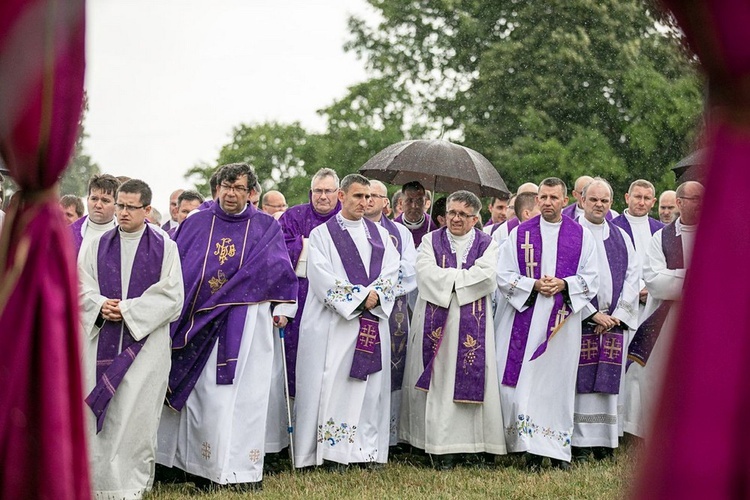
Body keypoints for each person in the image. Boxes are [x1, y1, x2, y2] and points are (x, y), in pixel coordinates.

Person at [156, 163, 297, 490]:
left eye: (238, 188)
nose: (231, 194)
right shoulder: (196, 223)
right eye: (225, 186)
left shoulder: (265, 227)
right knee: (207, 397)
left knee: (247, 397)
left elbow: (279, 272)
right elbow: (179, 269)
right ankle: (204, 469)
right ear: (216, 188)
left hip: (248, 326)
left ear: (251, 192)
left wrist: (275, 306)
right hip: (201, 325)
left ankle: (243, 472)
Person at [79, 179, 184, 498]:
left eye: (130, 207)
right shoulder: (97, 244)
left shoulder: (165, 245)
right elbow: (80, 286)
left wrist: (128, 310)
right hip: (101, 342)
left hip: (146, 348)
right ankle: (97, 484)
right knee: (104, 415)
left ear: (147, 209)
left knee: (136, 417)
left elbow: (172, 296)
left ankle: (130, 485)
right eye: (120, 205)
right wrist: (99, 305)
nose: (122, 212)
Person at [294, 174, 400, 468]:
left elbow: (394, 271)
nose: (364, 203)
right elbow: (322, 276)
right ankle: (332, 453)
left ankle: (364, 450)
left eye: (368, 197)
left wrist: (376, 295)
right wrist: (358, 298)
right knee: (335, 383)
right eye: (357, 196)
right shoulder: (321, 235)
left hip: (371, 324)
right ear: (341, 196)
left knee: (369, 389)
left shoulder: (379, 235)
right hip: (335, 325)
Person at [494, 177, 599, 468]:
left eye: (554, 197)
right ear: (536, 200)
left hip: (563, 324)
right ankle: (530, 449)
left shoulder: (581, 235)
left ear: (566, 201)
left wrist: (564, 284)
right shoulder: (520, 234)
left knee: (557, 384)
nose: (548, 203)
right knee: (528, 385)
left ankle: (556, 447)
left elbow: (592, 278)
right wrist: (533, 285)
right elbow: (503, 275)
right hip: (527, 319)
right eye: (543, 197)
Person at [400, 190, 506, 469]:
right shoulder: (429, 240)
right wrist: (461, 280)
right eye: (451, 213)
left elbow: (487, 275)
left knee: (471, 378)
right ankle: (436, 445)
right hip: (435, 322)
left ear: (475, 218)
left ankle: (472, 446)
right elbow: (424, 273)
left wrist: (450, 281)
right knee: (439, 380)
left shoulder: (487, 243)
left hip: (473, 322)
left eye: (462, 214)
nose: (455, 219)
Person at [622, 181, 704, 439]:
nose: (701, 204)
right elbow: (655, 281)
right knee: (657, 377)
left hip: (704, 320)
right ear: (679, 202)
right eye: (694, 199)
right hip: (665, 321)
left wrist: (678, 277)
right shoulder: (662, 238)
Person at [571, 179, 639, 461]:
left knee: (607, 384)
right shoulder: (573, 234)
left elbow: (633, 277)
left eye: (605, 201)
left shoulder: (620, 236)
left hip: (613, 322)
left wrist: (617, 316)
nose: (599, 205)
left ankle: (604, 442)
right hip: (581, 321)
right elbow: (569, 277)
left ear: (612, 203)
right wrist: (591, 313)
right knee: (581, 384)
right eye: (594, 200)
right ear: (582, 201)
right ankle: (580, 443)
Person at [277, 168, 342, 398]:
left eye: (328, 191)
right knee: (298, 355)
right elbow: (280, 251)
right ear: (310, 192)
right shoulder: (294, 216)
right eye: (318, 191)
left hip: (336, 298)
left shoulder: (347, 220)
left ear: (339, 194)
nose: (323, 196)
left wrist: (306, 245)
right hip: (300, 295)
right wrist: (312, 247)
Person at [364, 179, 418, 447]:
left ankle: (391, 433)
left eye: (376, 196)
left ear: (386, 202)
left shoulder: (400, 233)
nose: (369, 200)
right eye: (365, 195)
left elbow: (410, 269)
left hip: (392, 308)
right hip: (361, 306)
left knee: (391, 366)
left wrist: (380, 286)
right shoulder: (351, 229)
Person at [611, 180, 664, 311]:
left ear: (653, 202)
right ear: (627, 198)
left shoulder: (662, 230)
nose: (641, 202)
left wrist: (651, 289)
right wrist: (639, 289)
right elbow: (612, 267)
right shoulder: (612, 228)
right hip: (622, 301)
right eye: (637, 197)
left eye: (646, 198)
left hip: (654, 299)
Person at [70, 174, 120, 256]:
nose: (98, 205)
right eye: (94, 199)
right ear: (87, 199)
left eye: (105, 201)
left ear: (116, 204)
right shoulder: (70, 233)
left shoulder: (127, 234)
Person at [394, 181, 437, 246]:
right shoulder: (393, 228)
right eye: (409, 201)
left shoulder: (434, 228)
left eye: (419, 201)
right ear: (400, 202)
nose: (414, 206)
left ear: (425, 202)